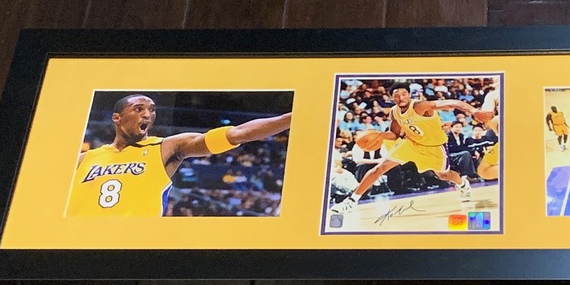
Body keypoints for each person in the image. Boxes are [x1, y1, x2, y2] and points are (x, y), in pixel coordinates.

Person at [68, 94, 292, 216]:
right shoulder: (83, 159)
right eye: (138, 109)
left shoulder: (165, 147)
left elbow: (238, 134)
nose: (147, 114)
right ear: (117, 118)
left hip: (134, 242)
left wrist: (289, 119)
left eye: (152, 110)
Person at [329, 83, 478, 215]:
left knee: (444, 175)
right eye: (396, 95)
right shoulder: (394, 111)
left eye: (404, 94)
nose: (401, 98)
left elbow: (452, 102)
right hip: (411, 144)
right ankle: (351, 201)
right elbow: (394, 134)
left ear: (409, 95)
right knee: (380, 168)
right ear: (392, 98)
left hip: (435, 147)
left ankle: (462, 184)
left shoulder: (420, 106)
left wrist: (474, 111)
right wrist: (380, 135)